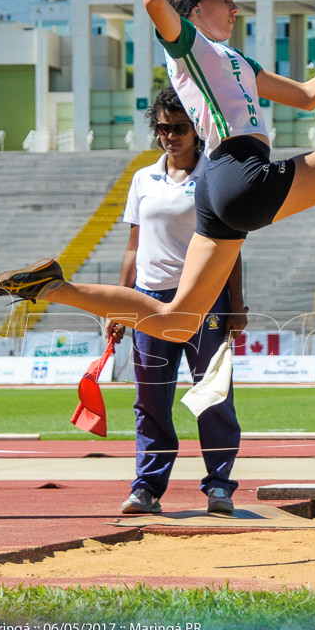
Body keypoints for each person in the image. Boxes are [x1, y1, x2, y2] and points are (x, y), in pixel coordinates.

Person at [0, 0, 315, 343]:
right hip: (240, 172)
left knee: (178, 323)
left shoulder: (236, 61)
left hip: (215, 185)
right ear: (193, 9)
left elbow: (309, 95)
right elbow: (155, 2)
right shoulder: (188, 45)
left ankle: (51, 287)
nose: (235, 8)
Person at [111, 86, 246, 515]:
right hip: (149, 302)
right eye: (163, 128)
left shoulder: (214, 176)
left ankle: (219, 486)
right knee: (150, 399)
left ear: (197, 130)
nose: (171, 136)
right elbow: (133, 248)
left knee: (211, 394)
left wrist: (237, 305)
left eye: (180, 128)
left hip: (204, 299)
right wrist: (120, 304)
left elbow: (231, 247)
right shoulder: (141, 179)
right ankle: (147, 488)